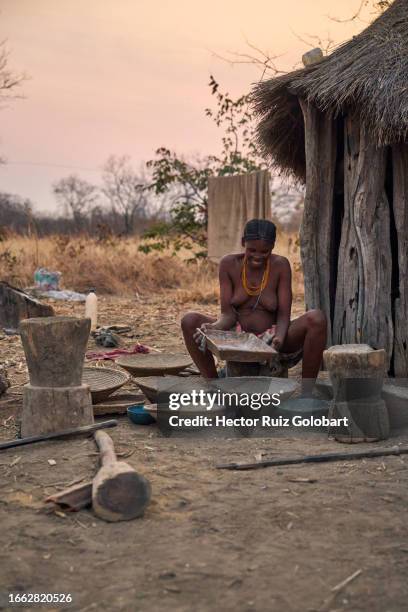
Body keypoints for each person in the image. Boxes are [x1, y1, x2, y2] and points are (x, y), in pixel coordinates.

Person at [181, 218, 327, 396]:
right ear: (243, 243)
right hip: (238, 337)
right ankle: (214, 386)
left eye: (264, 251)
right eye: (252, 250)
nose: (257, 256)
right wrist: (213, 327)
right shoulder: (229, 264)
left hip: (273, 336)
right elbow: (228, 315)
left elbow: (283, 316)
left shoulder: (280, 266)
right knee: (189, 320)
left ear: (272, 247)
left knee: (316, 318)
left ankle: (306, 395)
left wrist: (279, 338)